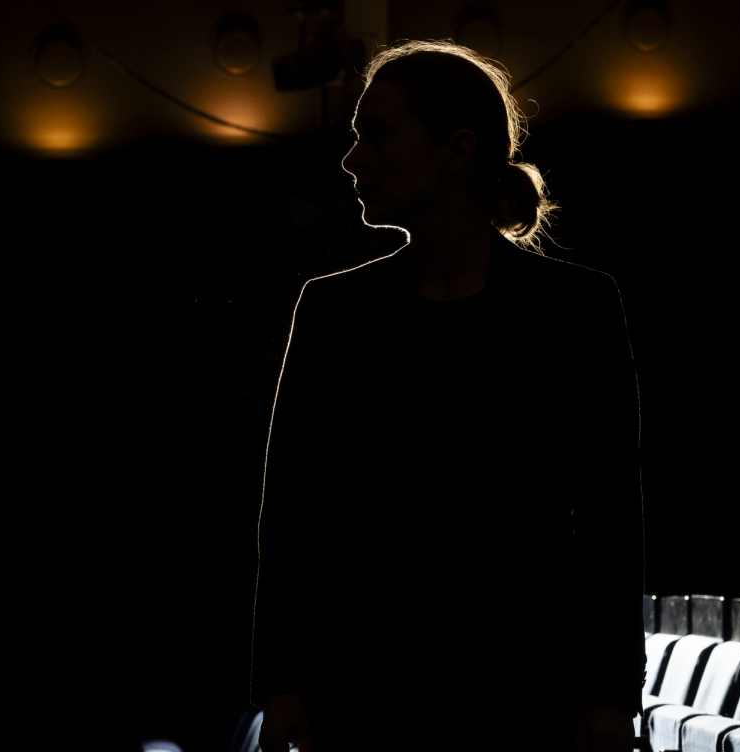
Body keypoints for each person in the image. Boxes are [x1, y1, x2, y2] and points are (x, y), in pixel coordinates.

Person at [250, 39, 645, 752]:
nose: (352, 160)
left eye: (378, 134)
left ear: (457, 150)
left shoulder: (576, 308)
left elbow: (611, 512)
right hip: (364, 691)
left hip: (527, 689)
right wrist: (282, 683)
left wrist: (611, 692)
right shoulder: (334, 311)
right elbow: (293, 515)